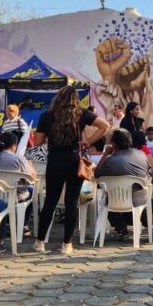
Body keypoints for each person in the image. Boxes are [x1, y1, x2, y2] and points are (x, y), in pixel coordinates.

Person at [32, 85, 109, 255]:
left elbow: (37, 142)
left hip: (54, 160)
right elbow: (105, 126)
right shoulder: (81, 114)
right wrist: (88, 141)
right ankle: (67, 244)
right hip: (74, 160)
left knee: (50, 201)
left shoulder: (46, 115)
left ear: (58, 98)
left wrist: (52, 139)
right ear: (75, 99)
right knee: (71, 202)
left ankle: (40, 242)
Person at [95, 129, 153, 241]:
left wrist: (106, 154)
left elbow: (96, 174)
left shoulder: (110, 161)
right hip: (139, 199)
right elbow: (149, 173)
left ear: (113, 144)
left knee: (104, 201)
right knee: (139, 203)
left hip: (115, 200)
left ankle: (121, 229)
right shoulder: (141, 155)